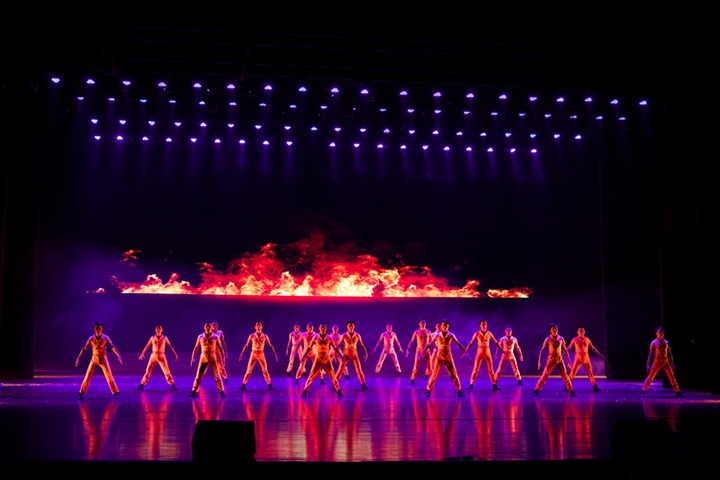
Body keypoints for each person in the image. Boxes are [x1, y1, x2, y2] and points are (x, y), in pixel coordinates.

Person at [420, 319, 468, 397]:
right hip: (439, 357)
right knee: (434, 374)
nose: (445, 327)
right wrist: (422, 353)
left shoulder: (451, 335)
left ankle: (459, 391)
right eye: (443, 325)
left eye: (446, 325)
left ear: (448, 326)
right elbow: (429, 344)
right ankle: (428, 390)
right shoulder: (437, 335)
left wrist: (465, 352)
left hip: (448, 357)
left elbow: (458, 344)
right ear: (441, 326)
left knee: (454, 374)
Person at [75, 323, 123, 398]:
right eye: (96, 328)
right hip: (94, 359)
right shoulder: (91, 338)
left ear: (102, 329)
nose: (98, 330)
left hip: (103, 359)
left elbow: (112, 346)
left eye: (99, 328)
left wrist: (118, 355)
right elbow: (84, 348)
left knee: (109, 376)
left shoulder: (105, 338)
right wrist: (78, 358)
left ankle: (115, 391)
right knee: (87, 376)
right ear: (94, 329)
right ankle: (81, 392)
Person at [301, 323, 344, 398]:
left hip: (327, 359)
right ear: (319, 328)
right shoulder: (315, 337)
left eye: (324, 327)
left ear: (326, 328)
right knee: (312, 375)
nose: (323, 328)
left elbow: (335, 348)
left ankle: (339, 391)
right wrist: (303, 355)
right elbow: (309, 347)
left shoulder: (329, 338)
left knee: (332, 375)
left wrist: (341, 355)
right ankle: (305, 391)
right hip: (318, 359)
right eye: (321, 327)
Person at [534, 323, 574, 396]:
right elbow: (542, 350)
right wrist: (539, 362)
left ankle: (571, 390)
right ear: (550, 331)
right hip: (551, 359)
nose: (555, 330)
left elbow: (565, 350)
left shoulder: (561, 338)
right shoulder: (548, 339)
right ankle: (536, 389)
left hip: (559, 359)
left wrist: (569, 361)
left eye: (556, 328)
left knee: (565, 375)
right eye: (553, 329)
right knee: (545, 374)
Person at [642, 327, 681, 397]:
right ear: (656, 333)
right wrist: (647, 364)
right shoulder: (654, 343)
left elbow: (669, 354)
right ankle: (644, 390)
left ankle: (677, 391)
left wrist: (672, 363)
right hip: (657, 361)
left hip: (665, 361)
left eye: (662, 331)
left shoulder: (666, 342)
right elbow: (650, 354)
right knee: (651, 376)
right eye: (660, 332)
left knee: (671, 377)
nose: (661, 333)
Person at [189, 322, 226, 397]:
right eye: (206, 326)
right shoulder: (200, 336)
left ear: (212, 328)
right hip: (203, 357)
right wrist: (192, 357)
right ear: (204, 327)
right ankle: (194, 390)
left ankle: (222, 391)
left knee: (217, 375)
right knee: (198, 375)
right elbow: (196, 347)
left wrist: (223, 357)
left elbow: (220, 347)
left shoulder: (216, 337)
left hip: (212, 356)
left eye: (209, 326)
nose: (208, 327)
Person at [239, 322, 278, 390]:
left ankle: (269, 384)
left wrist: (275, 354)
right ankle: (243, 384)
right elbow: (246, 345)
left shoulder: (265, 336)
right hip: (253, 353)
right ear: (255, 327)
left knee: (265, 370)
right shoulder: (252, 336)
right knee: (248, 370)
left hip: (261, 353)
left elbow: (270, 346)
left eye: (260, 325)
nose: (258, 326)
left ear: (262, 327)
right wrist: (242, 354)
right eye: (257, 325)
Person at [137, 325, 179, 390]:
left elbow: (170, 346)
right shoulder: (152, 337)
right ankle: (141, 385)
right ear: (155, 330)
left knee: (166, 371)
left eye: (159, 328)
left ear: (162, 330)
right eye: (157, 328)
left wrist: (175, 354)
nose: (158, 329)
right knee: (148, 370)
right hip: (154, 355)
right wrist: (142, 354)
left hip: (162, 356)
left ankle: (172, 385)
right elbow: (147, 346)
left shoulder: (164, 338)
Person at [466, 320, 502, 391]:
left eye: (485, 324)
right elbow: (471, 343)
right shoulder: (476, 334)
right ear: (480, 325)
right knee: (475, 369)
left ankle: (494, 385)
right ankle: (471, 385)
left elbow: (495, 342)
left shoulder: (489, 333)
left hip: (487, 352)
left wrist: (501, 349)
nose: (484, 325)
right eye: (482, 324)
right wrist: (466, 350)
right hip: (479, 352)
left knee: (491, 370)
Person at [567, 327, 605, 391]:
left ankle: (595, 386)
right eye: (580, 330)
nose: (581, 331)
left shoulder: (587, 339)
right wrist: (563, 354)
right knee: (573, 372)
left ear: (584, 332)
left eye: (582, 330)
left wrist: (599, 354)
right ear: (577, 332)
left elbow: (593, 348)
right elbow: (569, 348)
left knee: (590, 372)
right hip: (578, 357)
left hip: (586, 357)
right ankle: (567, 385)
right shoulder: (574, 339)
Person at [336, 321, 369, 389]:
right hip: (346, 354)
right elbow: (337, 346)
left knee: (359, 369)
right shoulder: (344, 335)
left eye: (352, 325)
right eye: (349, 325)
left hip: (354, 354)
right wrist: (339, 354)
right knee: (340, 369)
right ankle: (334, 384)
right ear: (347, 326)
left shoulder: (357, 335)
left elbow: (362, 345)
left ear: (354, 326)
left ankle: (363, 384)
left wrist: (366, 353)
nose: (351, 327)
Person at [406, 318, 433, 385]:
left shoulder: (429, 332)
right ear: (419, 324)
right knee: (416, 366)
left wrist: (437, 349)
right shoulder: (416, 332)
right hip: (419, 351)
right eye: (421, 322)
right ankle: (412, 379)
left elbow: (432, 341)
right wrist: (407, 349)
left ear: (425, 324)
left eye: (424, 322)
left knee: (430, 367)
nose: (423, 323)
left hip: (427, 351)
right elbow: (411, 341)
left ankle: (432, 380)